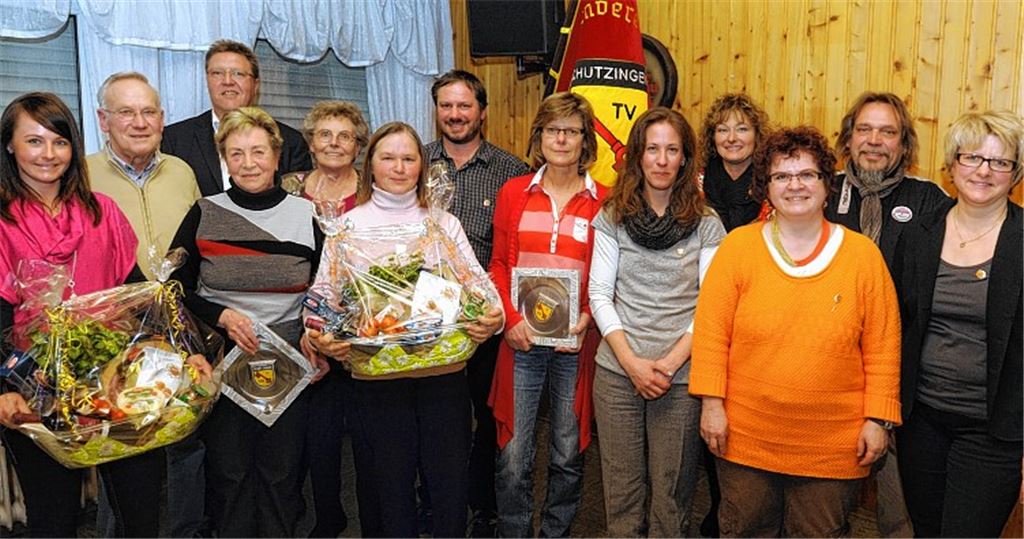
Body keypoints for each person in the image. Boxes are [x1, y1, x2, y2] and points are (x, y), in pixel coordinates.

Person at [690, 126, 902, 537]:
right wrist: (711, 405)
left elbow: (883, 344)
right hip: (745, 435)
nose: (795, 185)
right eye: (782, 176)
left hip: (832, 445)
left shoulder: (863, 257)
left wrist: (878, 419)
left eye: (807, 174)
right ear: (765, 187)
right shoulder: (737, 248)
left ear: (827, 184)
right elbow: (713, 333)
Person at [303, 121, 503, 538]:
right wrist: (321, 334)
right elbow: (322, 299)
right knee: (387, 491)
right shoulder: (346, 228)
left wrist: (493, 318)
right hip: (377, 383)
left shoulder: (442, 226)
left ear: (422, 166)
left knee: (449, 488)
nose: (398, 167)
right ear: (370, 165)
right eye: (388, 157)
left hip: (443, 378)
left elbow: (482, 290)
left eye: (408, 158)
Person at [0, 92, 161, 537]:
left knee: (142, 510)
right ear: (10, 146)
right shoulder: (2, 220)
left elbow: (138, 294)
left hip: (114, 382)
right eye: (34, 141)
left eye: (59, 141)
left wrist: (174, 355)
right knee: (55, 517)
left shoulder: (101, 211)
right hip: (33, 389)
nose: (48, 154)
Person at [167, 106, 326, 537]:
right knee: (229, 475)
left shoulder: (306, 215)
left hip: (290, 363)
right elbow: (173, 286)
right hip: (222, 361)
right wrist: (220, 314)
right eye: (236, 154)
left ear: (277, 157)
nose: (248, 163)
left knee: (281, 474)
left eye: (258, 151)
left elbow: (328, 289)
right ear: (224, 160)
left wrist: (317, 336)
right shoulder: (203, 212)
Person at [589, 107, 725, 536]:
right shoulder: (613, 216)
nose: (662, 160)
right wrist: (632, 364)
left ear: (685, 158)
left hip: (681, 378)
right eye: (652, 149)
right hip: (617, 375)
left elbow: (712, 305)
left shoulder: (706, 223)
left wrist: (666, 366)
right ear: (638, 156)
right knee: (622, 494)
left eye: (672, 150)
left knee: (672, 496)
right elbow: (599, 295)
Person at [893, 110, 1023, 537]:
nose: (983, 171)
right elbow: (900, 324)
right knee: (927, 530)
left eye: (1000, 162)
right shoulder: (920, 233)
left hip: (994, 430)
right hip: (922, 421)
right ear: (952, 165)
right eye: (972, 158)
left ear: (1015, 173)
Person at [828, 91, 951, 537]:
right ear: (848, 137)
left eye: (887, 132)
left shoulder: (931, 201)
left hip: (901, 375)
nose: (874, 141)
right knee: (824, 501)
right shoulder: (820, 190)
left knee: (902, 509)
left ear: (904, 144)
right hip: (830, 374)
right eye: (864, 129)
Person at [489, 92, 606, 538]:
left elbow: (610, 277)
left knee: (566, 453)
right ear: (539, 137)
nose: (561, 139)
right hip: (520, 341)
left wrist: (590, 315)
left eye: (571, 131)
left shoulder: (604, 201)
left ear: (585, 141)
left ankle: (555, 533)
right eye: (552, 130)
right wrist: (510, 319)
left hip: (574, 344)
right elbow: (498, 264)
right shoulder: (515, 192)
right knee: (514, 456)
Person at [425, 69, 529, 537]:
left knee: (488, 418)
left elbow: (518, 251)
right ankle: (436, 502)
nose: (455, 114)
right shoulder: (416, 164)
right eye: (446, 106)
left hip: (488, 322)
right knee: (437, 420)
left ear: (482, 112)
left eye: (464, 105)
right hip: (427, 321)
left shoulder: (512, 172)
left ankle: (484, 506)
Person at [281, 99, 369, 538]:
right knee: (315, 434)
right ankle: (326, 515)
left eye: (345, 136)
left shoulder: (372, 191)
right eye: (325, 135)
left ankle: (370, 515)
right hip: (297, 323)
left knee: (366, 429)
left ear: (358, 146)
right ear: (310, 142)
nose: (334, 143)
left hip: (362, 322)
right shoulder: (289, 189)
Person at [161, 39, 310, 196]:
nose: (227, 81)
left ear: (256, 85)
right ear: (207, 81)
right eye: (217, 73)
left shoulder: (291, 142)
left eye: (238, 73)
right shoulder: (174, 140)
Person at [699, 93, 771, 231]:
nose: (731, 138)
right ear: (712, 137)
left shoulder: (774, 182)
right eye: (723, 130)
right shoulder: (695, 184)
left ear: (757, 134)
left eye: (742, 129)